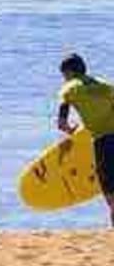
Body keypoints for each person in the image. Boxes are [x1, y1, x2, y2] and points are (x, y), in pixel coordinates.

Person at [56, 53, 114, 227]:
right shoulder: (106, 85)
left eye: (63, 75)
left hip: (103, 141)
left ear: (69, 73)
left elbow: (61, 123)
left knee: (110, 192)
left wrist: (71, 130)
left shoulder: (69, 89)